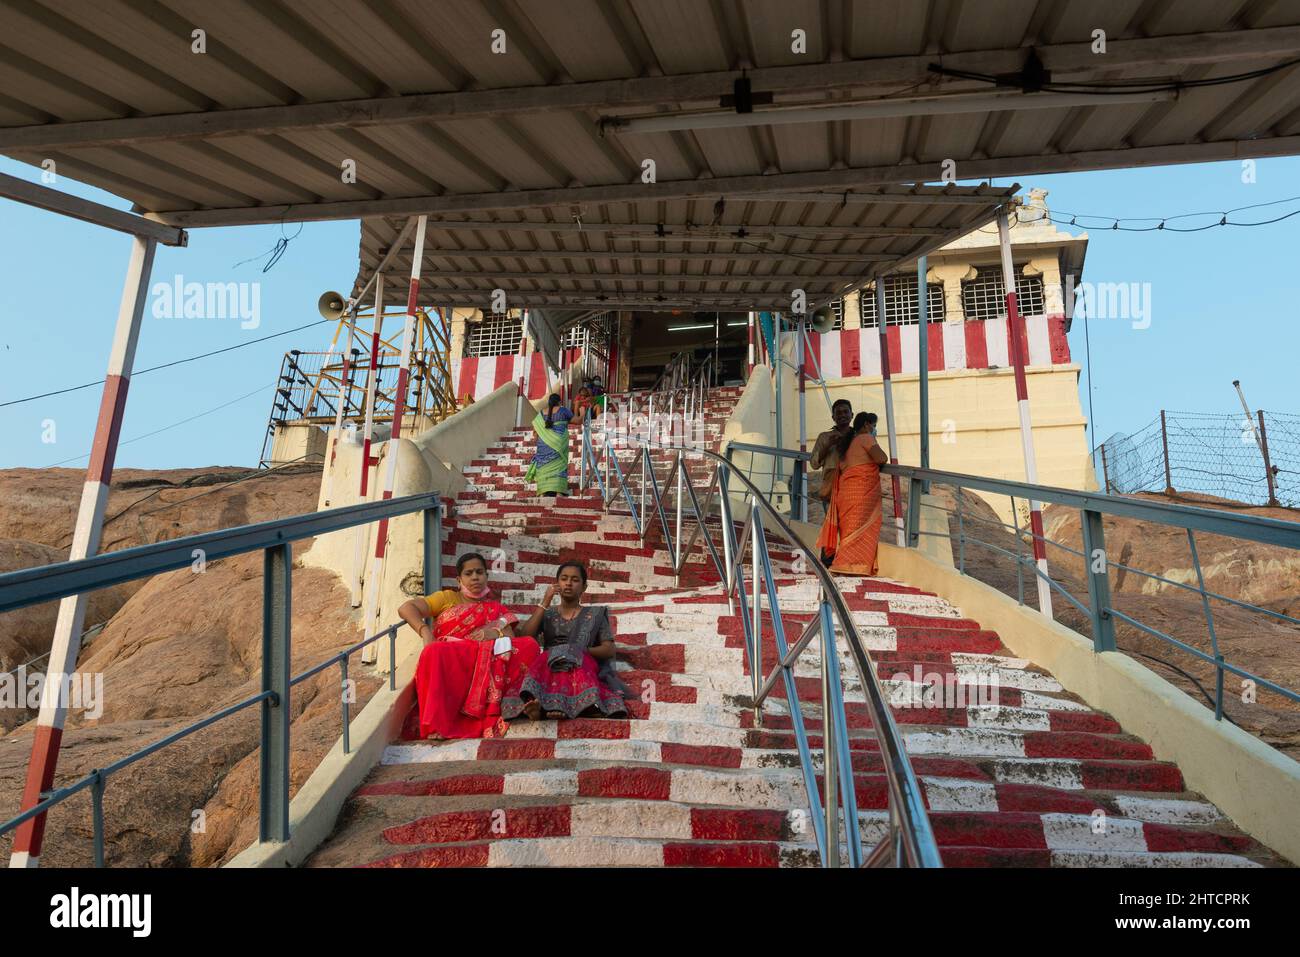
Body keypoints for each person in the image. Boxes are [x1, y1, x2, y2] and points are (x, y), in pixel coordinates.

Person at [399, 552, 541, 739]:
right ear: (459, 579)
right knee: (433, 651)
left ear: (486, 576)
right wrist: (425, 631)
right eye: (469, 573)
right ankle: (439, 725)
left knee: (529, 644)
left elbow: (510, 637)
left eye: (479, 572)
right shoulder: (447, 598)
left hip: (486, 656)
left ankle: (520, 704)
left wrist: (494, 633)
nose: (475, 577)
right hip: (454, 655)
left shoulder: (496, 608)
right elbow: (406, 608)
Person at [502, 561, 630, 721]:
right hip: (549, 664)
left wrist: (578, 651)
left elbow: (609, 649)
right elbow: (526, 636)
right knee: (548, 662)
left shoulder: (595, 614)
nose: (569, 583)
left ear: (584, 587)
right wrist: (545, 602)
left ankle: (555, 707)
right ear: (557, 584)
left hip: (582, 663)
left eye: (575, 580)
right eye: (564, 579)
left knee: (569, 660)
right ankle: (541, 707)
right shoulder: (548, 614)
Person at [815, 411, 888, 576]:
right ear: (866, 425)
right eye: (874, 426)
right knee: (858, 531)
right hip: (861, 491)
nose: (874, 429)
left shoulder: (848, 443)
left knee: (849, 531)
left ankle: (847, 566)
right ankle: (847, 566)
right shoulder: (866, 438)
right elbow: (881, 458)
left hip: (846, 492)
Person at [809, 399, 854, 558]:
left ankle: (848, 559)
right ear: (833, 417)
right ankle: (828, 559)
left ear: (851, 415)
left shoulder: (857, 436)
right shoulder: (824, 437)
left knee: (851, 525)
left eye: (845, 412)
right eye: (838, 413)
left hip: (852, 486)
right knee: (832, 524)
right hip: (831, 487)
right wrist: (828, 446)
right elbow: (814, 463)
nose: (842, 415)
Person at [525, 393, 575, 497]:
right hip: (559, 442)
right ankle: (558, 492)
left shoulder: (541, 413)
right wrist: (583, 412)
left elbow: (535, 432)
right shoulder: (563, 410)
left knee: (543, 465)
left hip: (543, 443)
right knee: (559, 465)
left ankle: (543, 492)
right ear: (559, 402)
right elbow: (577, 421)